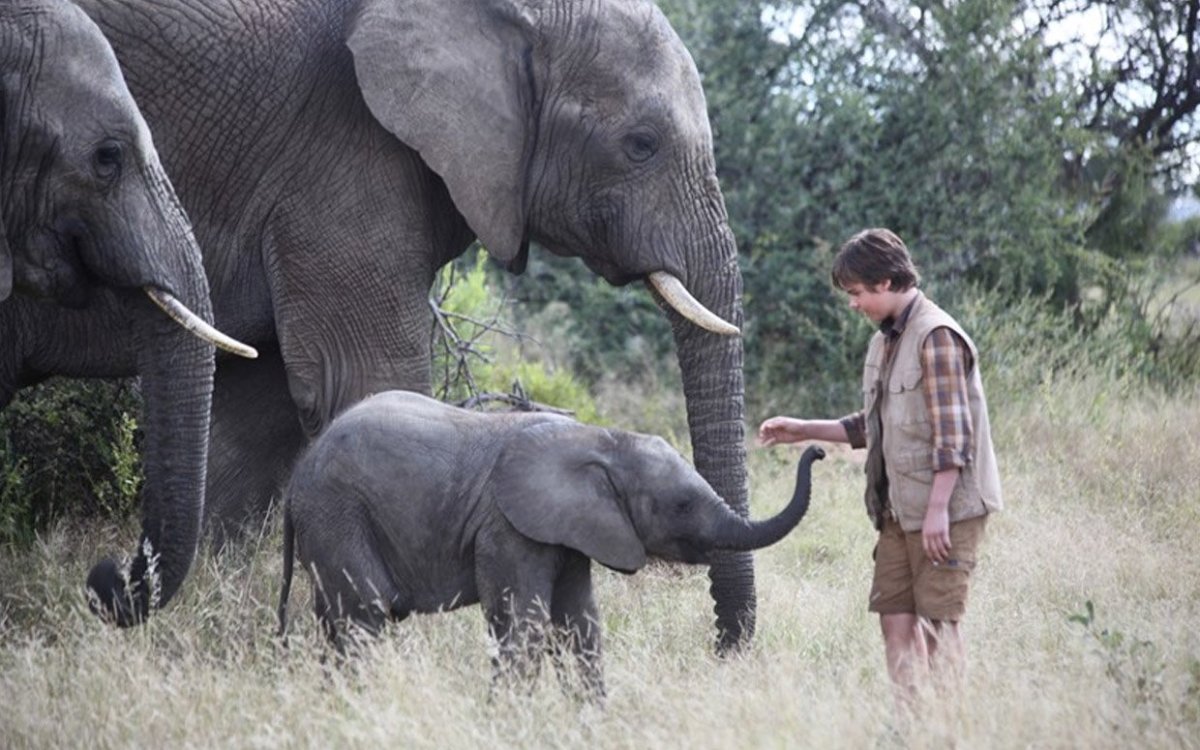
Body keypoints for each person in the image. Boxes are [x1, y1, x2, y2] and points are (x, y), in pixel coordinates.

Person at [758, 228, 1002, 711]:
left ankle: (951, 730)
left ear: (887, 281)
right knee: (894, 621)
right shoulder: (885, 342)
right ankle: (910, 725)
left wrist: (937, 512)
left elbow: (954, 437)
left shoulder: (936, 338)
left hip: (943, 513)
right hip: (897, 510)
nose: (853, 304)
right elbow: (876, 425)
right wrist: (802, 428)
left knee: (938, 627)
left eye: (857, 293)